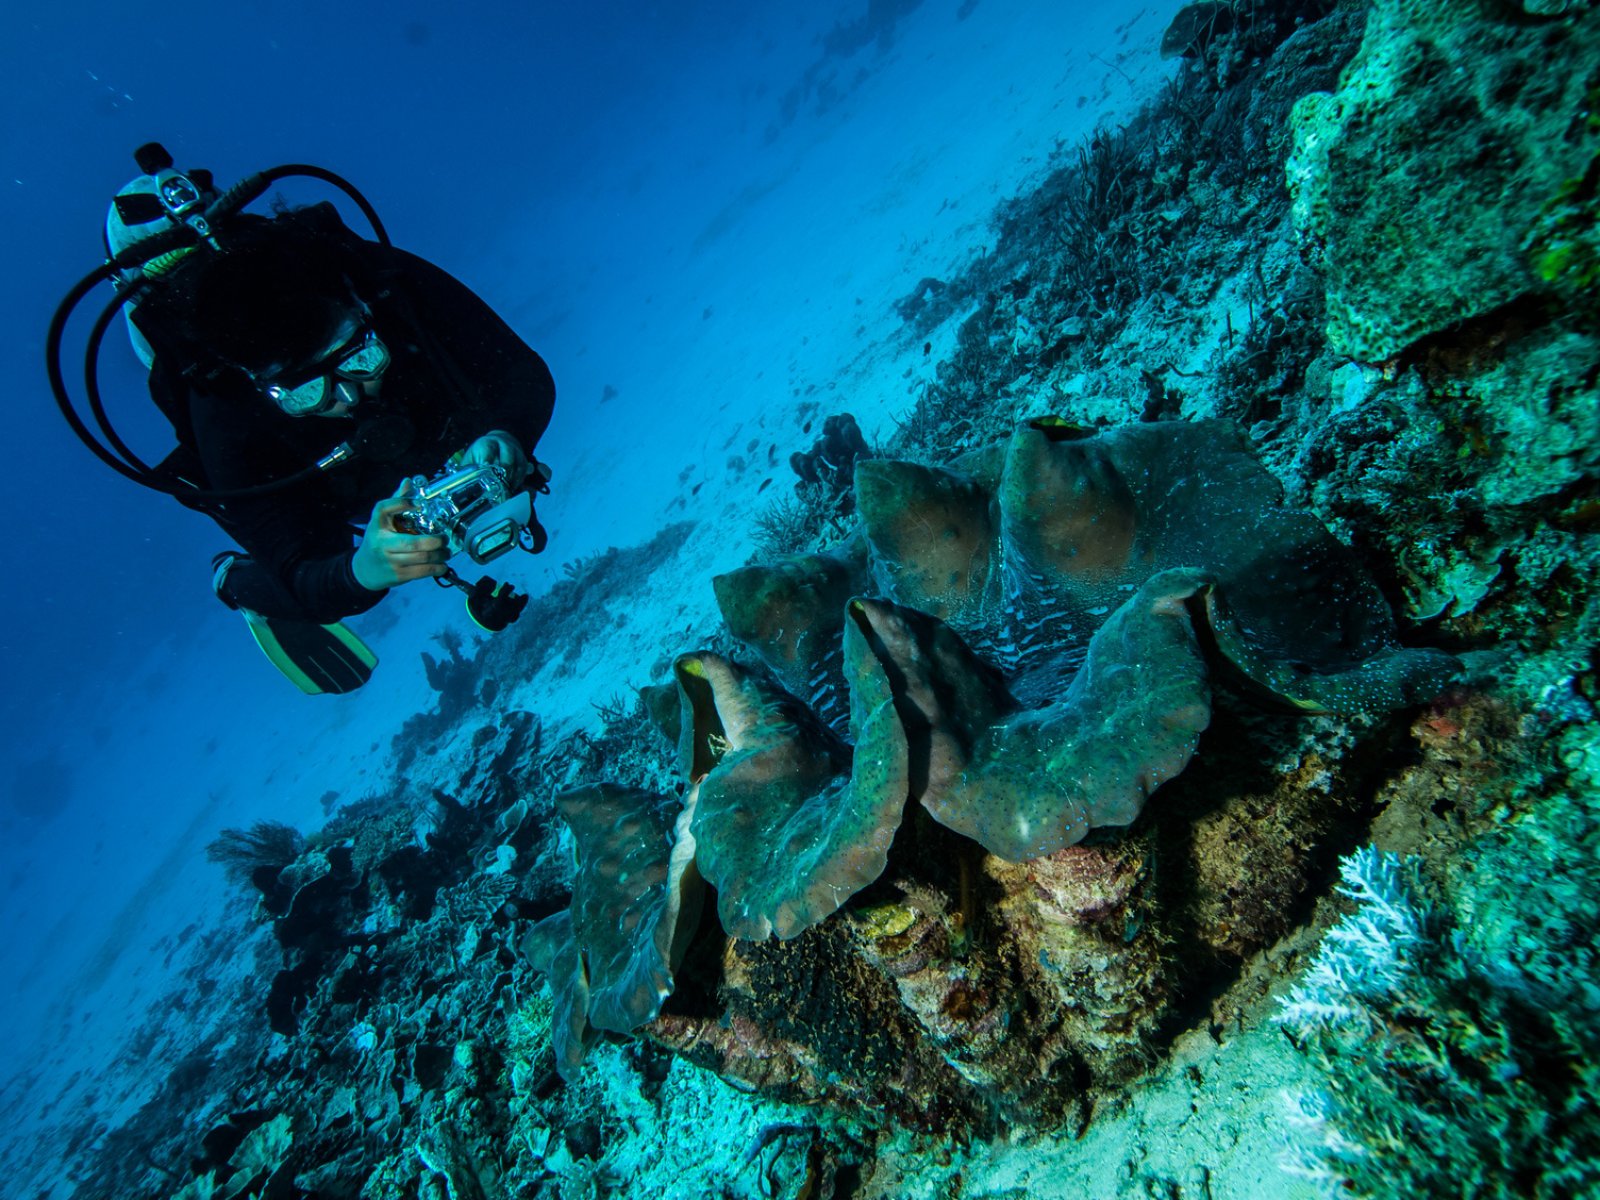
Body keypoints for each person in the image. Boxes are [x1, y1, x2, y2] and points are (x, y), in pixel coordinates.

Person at [128, 201, 556, 693]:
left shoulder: (380, 280)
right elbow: (302, 575)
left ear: (362, 309)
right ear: (260, 386)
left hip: (412, 395)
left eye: (359, 357)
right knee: (332, 580)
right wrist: (362, 571)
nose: (351, 396)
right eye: (308, 390)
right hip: (306, 478)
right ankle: (234, 581)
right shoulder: (224, 411)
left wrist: (506, 432)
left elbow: (524, 375)